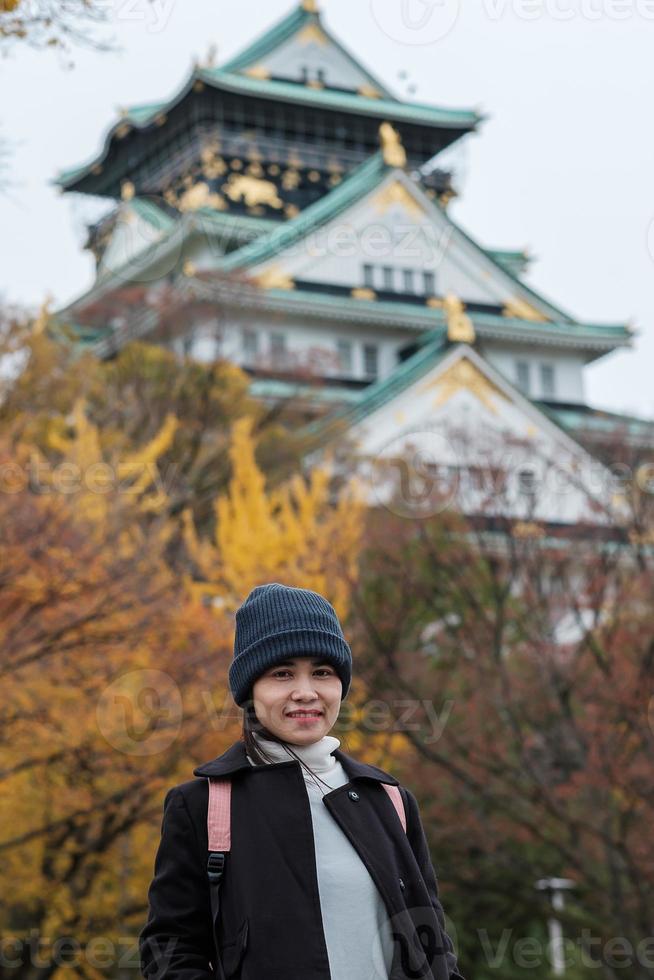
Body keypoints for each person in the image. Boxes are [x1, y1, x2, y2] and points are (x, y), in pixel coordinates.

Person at [139, 582, 465, 980]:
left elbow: (434, 947)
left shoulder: (390, 800)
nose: (306, 692)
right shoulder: (203, 806)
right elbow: (169, 953)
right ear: (250, 690)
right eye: (282, 673)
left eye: (322, 672)